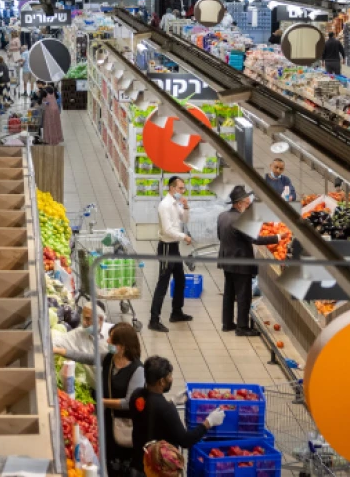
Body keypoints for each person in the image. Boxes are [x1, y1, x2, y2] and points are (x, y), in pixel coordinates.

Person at [57, 322, 144, 475]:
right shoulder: (109, 358)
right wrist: (59, 350)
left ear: (122, 346)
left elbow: (128, 403)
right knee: (108, 459)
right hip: (106, 422)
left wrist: (100, 401)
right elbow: (85, 357)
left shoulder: (137, 370)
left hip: (125, 426)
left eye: (112, 340)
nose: (108, 342)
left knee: (123, 465)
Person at [128, 357, 225, 472]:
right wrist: (209, 422)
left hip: (139, 461)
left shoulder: (136, 395)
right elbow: (185, 440)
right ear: (161, 381)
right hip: (159, 468)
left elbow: (151, 413)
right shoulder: (166, 410)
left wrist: (172, 402)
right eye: (169, 376)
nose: (171, 379)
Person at [217, 186, 285, 336]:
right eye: (247, 204)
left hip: (226, 261)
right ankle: (242, 327)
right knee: (243, 295)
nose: (248, 206)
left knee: (229, 293)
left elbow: (220, 237)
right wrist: (278, 237)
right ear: (239, 203)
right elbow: (256, 239)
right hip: (241, 263)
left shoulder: (222, 216)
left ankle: (227, 324)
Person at [150, 177, 191, 333]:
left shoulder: (176, 204)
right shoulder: (165, 205)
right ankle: (154, 320)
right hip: (166, 247)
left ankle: (176, 312)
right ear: (172, 188)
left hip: (174, 247)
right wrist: (184, 237)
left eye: (183, 188)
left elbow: (184, 219)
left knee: (180, 279)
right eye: (180, 188)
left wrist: (186, 207)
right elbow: (167, 230)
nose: (183, 191)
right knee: (163, 283)